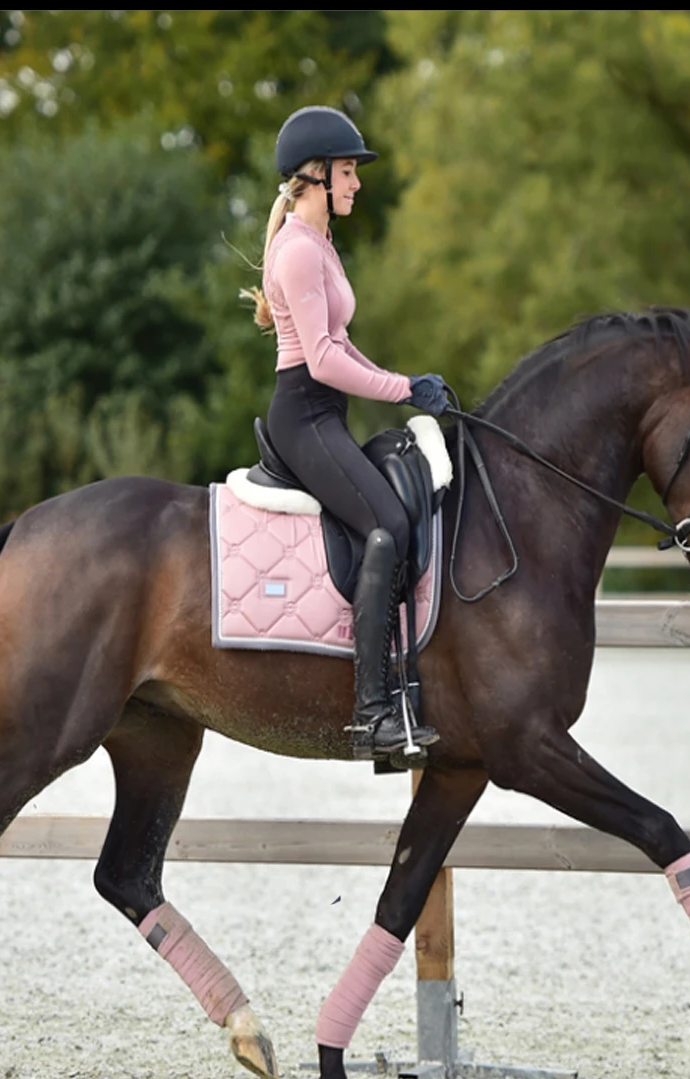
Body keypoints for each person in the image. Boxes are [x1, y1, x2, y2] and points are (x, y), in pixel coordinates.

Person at [240, 105, 448, 762]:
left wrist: (404, 379)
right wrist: (403, 391)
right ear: (316, 174)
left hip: (325, 412)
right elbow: (323, 361)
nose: (357, 184)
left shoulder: (321, 244)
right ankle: (373, 713)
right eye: (350, 172)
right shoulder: (298, 251)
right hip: (304, 415)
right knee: (386, 522)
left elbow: (343, 344)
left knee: (395, 510)